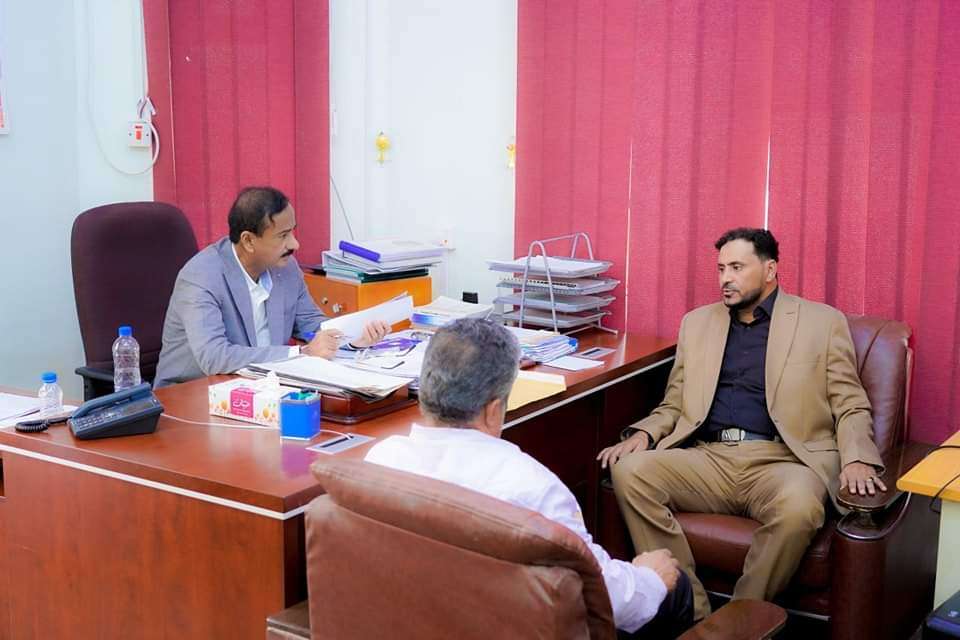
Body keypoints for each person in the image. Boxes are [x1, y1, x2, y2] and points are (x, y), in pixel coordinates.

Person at [598, 228, 886, 621]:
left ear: (770, 270)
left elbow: (850, 402)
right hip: (709, 459)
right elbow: (675, 403)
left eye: (736, 267)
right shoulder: (697, 324)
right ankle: (694, 612)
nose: (725, 279)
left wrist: (857, 458)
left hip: (783, 461)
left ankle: (738, 621)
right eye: (721, 269)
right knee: (629, 472)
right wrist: (646, 432)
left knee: (800, 505)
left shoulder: (821, 323)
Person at [365, 318, 694, 637]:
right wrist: (650, 576)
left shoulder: (380, 460)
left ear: (425, 392)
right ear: (494, 410)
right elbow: (604, 598)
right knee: (675, 588)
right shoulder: (532, 487)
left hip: (413, 622)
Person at [155, 186, 388, 387]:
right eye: (283, 235)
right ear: (248, 241)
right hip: (191, 395)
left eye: (292, 232)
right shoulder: (201, 277)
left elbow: (312, 325)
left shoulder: (286, 267)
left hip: (262, 387)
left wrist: (352, 338)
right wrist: (301, 353)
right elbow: (214, 357)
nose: (295, 244)